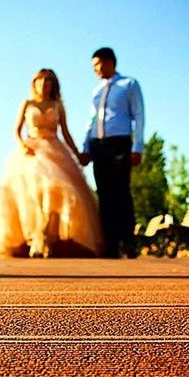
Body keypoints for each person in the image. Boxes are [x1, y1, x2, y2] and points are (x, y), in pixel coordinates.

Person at [0, 68, 104, 258]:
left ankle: (47, 237)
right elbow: (16, 130)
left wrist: (78, 154)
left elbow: (65, 132)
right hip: (30, 151)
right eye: (40, 81)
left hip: (55, 150)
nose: (44, 84)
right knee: (31, 194)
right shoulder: (27, 103)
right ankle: (35, 239)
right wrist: (22, 145)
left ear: (53, 85)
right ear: (34, 83)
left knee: (55, 190)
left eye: (48, 81)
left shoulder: (57, 105)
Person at [79, 47, 144, 258]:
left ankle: (128, 242)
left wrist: (137, 146)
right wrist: (86, 147)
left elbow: (139, 116)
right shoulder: (95, 91)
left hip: (120, 143)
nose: (95, 69)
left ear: (109, 62)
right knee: (104, 194)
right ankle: (110, 245)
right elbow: (91, 120)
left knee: (121, 191)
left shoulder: (129, 85)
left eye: (97, 64)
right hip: (99, 145)